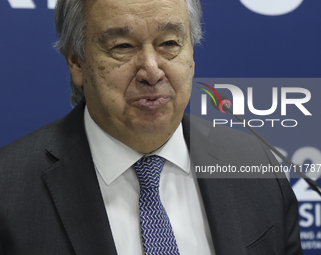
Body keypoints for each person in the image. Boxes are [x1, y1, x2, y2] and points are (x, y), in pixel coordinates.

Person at [0, 0, 304, 254]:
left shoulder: (256, 165)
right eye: (122, 46)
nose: (151, 70)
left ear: (191, 54)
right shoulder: (9, 190)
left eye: (169, 43)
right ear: (77, 62)